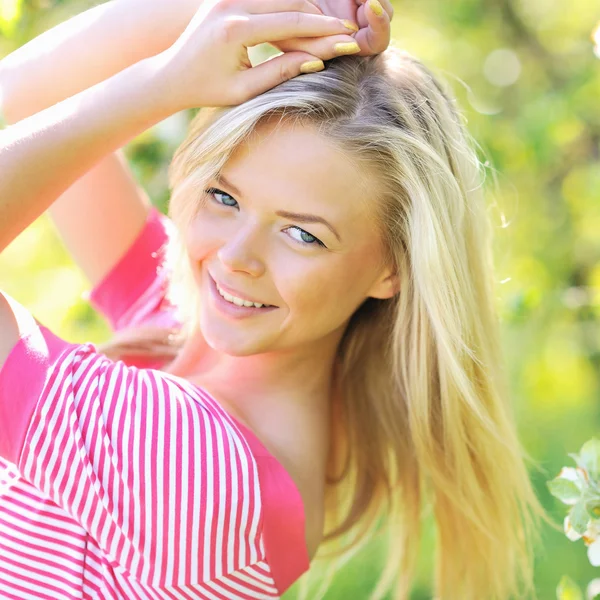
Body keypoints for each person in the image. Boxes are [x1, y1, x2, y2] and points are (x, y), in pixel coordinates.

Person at [0, 0, 549, 598]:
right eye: (224, 196)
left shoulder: (199, 469)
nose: (236, 255)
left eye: (303, 233)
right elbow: (29, 102)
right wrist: (225, 11)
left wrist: (162, 86)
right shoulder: (188, 326)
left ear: (392, 269)